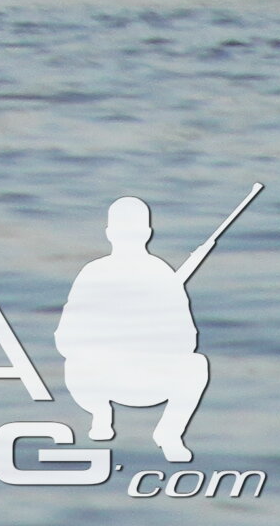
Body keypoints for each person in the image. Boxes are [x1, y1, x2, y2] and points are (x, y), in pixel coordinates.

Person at [56, 196, 214, 463]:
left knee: (74, 363)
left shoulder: (93, 272)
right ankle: (168, 431)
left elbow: (65, 340)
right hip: (148, 383)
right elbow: (188, 342)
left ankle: (103, 415)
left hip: (101, 382)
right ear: (147, 233)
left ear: (109, 233)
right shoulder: (161, 273)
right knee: (197, 365)